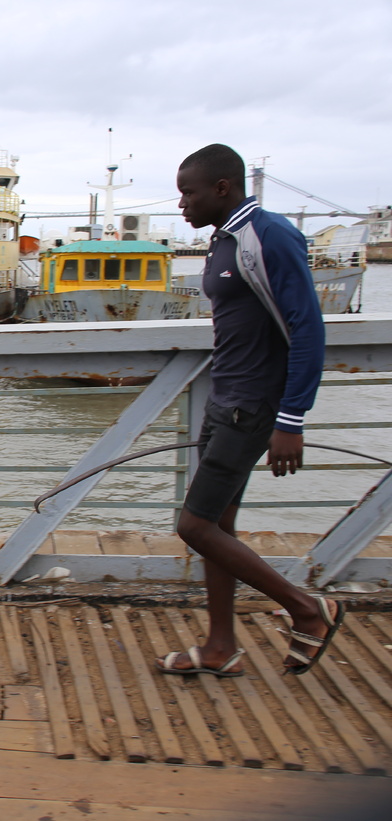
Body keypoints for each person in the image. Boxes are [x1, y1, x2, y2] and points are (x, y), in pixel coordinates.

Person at [158, 144, 342, 678]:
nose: (182, 204)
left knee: (195, 525)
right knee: (219, 522)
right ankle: (221, 647)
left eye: (188, 192)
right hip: (226, 398)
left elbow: (308, 329)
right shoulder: (224, 240)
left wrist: (292, 419)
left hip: (253, 405)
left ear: (223, 188)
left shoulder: (269, 235)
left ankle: (308, 610)